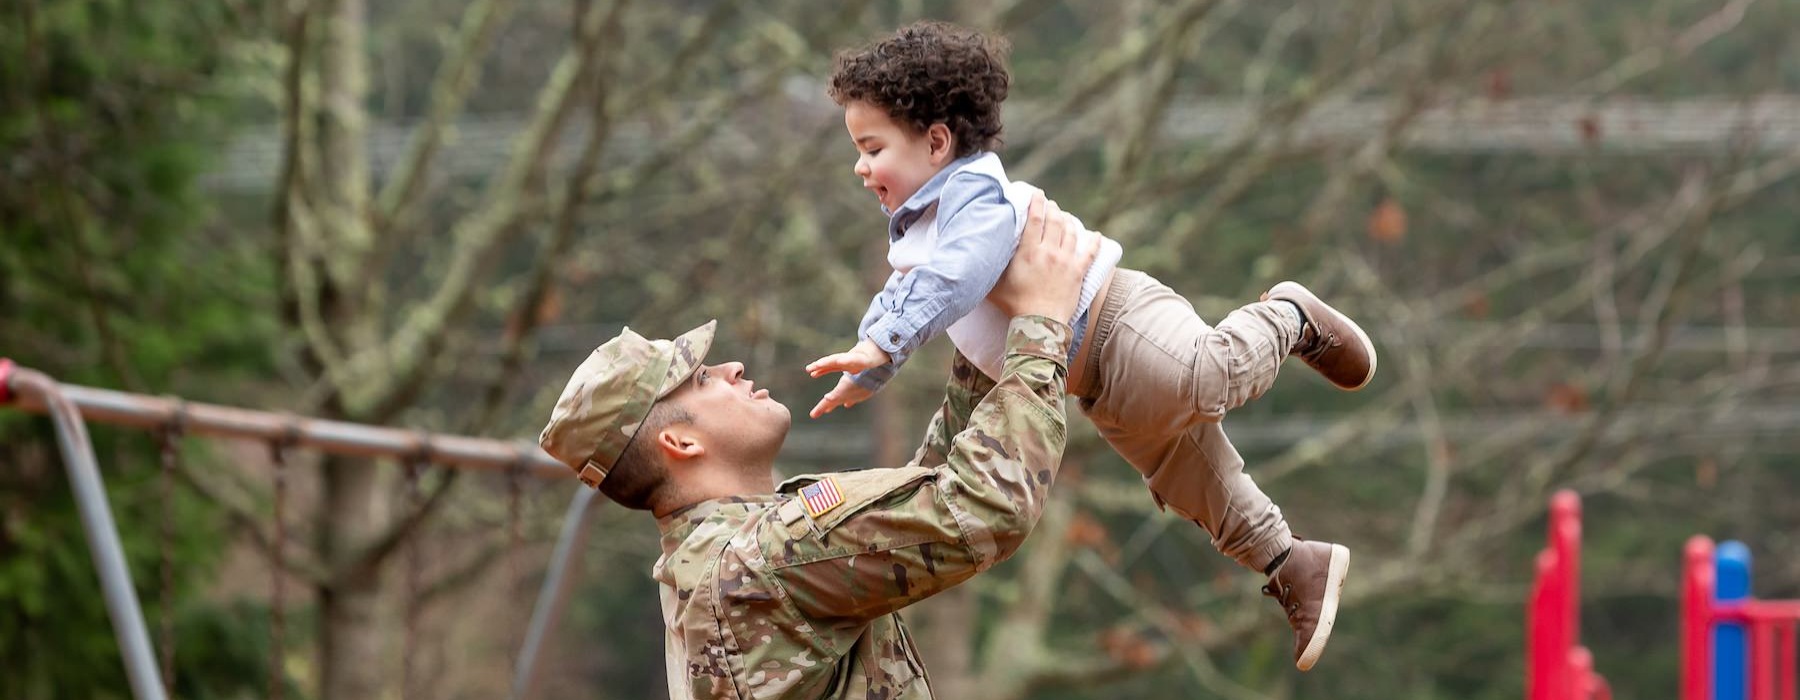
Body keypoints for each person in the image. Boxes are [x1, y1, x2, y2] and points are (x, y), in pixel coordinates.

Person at [803, 20, 1378, 671]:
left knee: (1203, 376)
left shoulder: (973, 198)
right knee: (1190, 482)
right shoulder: (921, 231)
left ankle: (1289, 317)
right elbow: (934, 321)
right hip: (1096, 382)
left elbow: (954, 276)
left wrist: (881, 345)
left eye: (872, 147)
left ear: (936, 142)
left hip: (1118, 324)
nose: (860, 166)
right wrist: (873, 375)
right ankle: (1293, 563)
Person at [540, 194, 1098, 698]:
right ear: (679, 441)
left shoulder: (724, 559)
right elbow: (983, 505)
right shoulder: (761, 557)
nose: (732, 367)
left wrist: (976, 323)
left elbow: (930, 497)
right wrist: (1039, 321)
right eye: (705, 378)